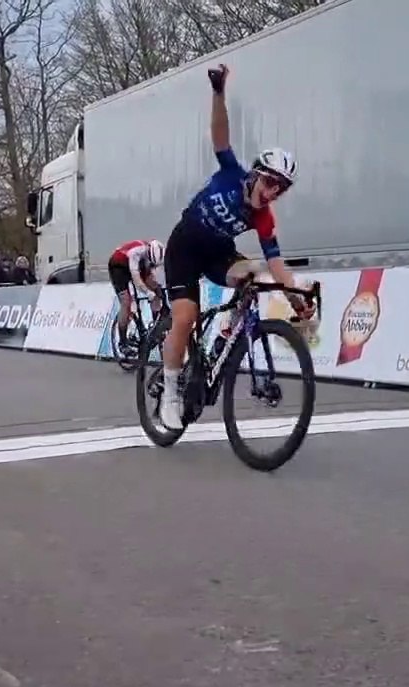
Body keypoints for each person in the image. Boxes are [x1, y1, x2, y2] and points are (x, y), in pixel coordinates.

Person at [158, 63, 311, 430]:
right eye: (271, 182)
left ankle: (224, 339)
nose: (273, 192)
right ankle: (170, 391)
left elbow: (277, 264)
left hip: (217, 253)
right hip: (184, 247)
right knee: (184, 317)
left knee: (255, 274)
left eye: (281, 189)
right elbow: (220, 134)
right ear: (256, 174)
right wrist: (218, 93)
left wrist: (295, 296)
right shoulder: (231, 174)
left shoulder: (264, 218)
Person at [108, 238, 165, 353]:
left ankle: (156, 328)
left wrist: (157, 292)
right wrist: (148, 293)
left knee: (157, 290)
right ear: (148, 251)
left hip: (140, 263)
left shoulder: (154, 254)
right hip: (118, 265)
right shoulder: (137, 252)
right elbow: (137, 280)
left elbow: (153, 278)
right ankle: (123, 343)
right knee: (126, 302)